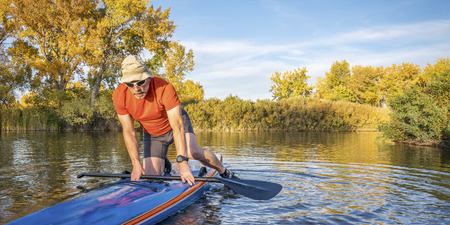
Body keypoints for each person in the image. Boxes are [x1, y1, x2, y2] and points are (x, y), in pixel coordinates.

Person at [113, 55, 237, 186]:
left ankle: (223, 171)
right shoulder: (120, 95)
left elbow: (177, 126)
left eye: (140, 82)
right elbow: (129, 132)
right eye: (130, 84)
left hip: (176, 125)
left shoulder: (164, 88)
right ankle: (164, 162)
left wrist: (182, 163)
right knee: (151, 178)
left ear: (148, 77)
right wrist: (136, 164)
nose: (136, 88)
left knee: (192, 152)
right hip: (153, 133)